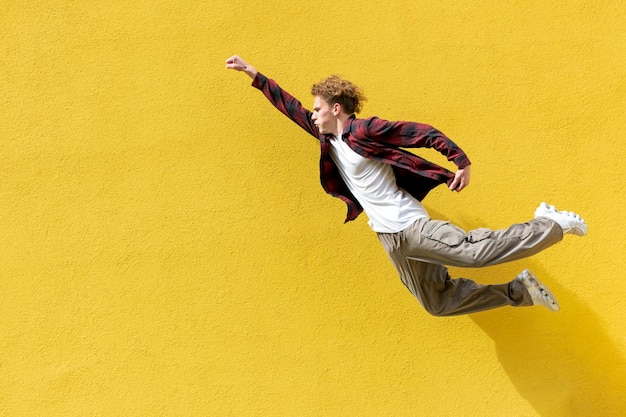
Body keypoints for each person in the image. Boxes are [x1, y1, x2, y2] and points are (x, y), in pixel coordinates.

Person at [225, 55, 587, 316]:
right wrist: (254, 75)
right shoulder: (327, 139)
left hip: (410, 225)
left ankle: (549, 223)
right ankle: (520, 291)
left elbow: (422, 133)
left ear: (337, 109)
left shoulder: (364, 130)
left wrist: (460, 161)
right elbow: (291, 108)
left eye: (318, 109)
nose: (313, 114)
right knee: (437, 303)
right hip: (390, 238)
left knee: (471, 253)